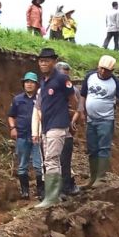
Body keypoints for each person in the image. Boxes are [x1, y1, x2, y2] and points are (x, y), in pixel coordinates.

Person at [78, 55, 119, 188]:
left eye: (107, 70)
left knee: (103, 147)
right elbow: (83, 95)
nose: (103, 72)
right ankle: (92, 178)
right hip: (91, 120)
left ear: (112, 70)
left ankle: (101, 178)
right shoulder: (90, 77)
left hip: (106, 119)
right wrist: (80, 110)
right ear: (98, 66)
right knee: (92, 148)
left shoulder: (115, 82)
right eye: (101, 69)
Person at [31, 48, 77, 208]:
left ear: (54, 61)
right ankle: (54, 195)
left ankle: (51, 197)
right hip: (47, 125)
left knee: (51, 159)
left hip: (58, 124)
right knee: (52, 160)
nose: (43, 63)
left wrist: (73, 117)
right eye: (41, 61)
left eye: (47, 60)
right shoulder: (44, 81)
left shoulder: (61, 79)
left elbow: (73, 99)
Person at [8, 72, 44, 200]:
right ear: (23, 84)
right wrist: (13, 128)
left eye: (32, 82)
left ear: (36, 85)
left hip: (37, 136)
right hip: (22, 135)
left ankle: (41, 191)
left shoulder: (41, 99)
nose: (29, 84)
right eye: (27, 82)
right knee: (22, 165)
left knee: (39, 165)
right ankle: (25, 191)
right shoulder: (17, 99)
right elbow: (11, 116)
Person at [55, 62, 82, 196]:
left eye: (67, 74)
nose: (65, 78)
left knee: (65, 159)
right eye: (62, 74)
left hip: (67, 128)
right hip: (52, 127)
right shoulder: (50, 87)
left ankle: (67, 185)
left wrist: (74, 120)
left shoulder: (73, 90)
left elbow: (79, 108)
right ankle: (56, 188)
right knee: (53, 160)